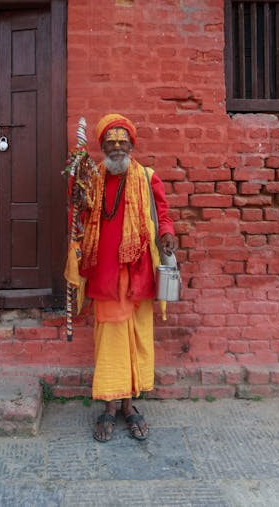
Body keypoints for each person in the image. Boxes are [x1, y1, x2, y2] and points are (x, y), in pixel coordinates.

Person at [79, 113, 175, 442]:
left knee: (136, 338)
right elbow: (78, 216)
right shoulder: (91, 179)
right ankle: (108, 405)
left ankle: (129, 405)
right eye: (111, 142)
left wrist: (166, 236)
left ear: (132, 146)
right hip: (105, 275)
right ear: (102, 146)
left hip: (138, 273)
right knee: (109, 340)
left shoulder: (147, 178)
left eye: (123, 142)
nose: (117, 147)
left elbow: (162, 215)